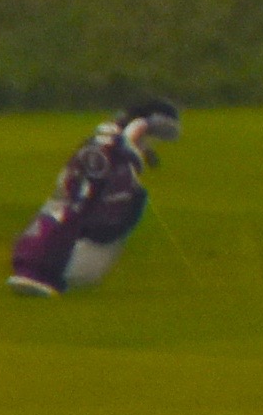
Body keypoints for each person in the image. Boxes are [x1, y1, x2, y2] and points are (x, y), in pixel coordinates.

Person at [9, 101, 181, 297]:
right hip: (71, 246)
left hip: (47, 230)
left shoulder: (103, 142)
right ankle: (55, 273)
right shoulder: (115, 152)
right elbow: (108, 215)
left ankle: (45, 267)